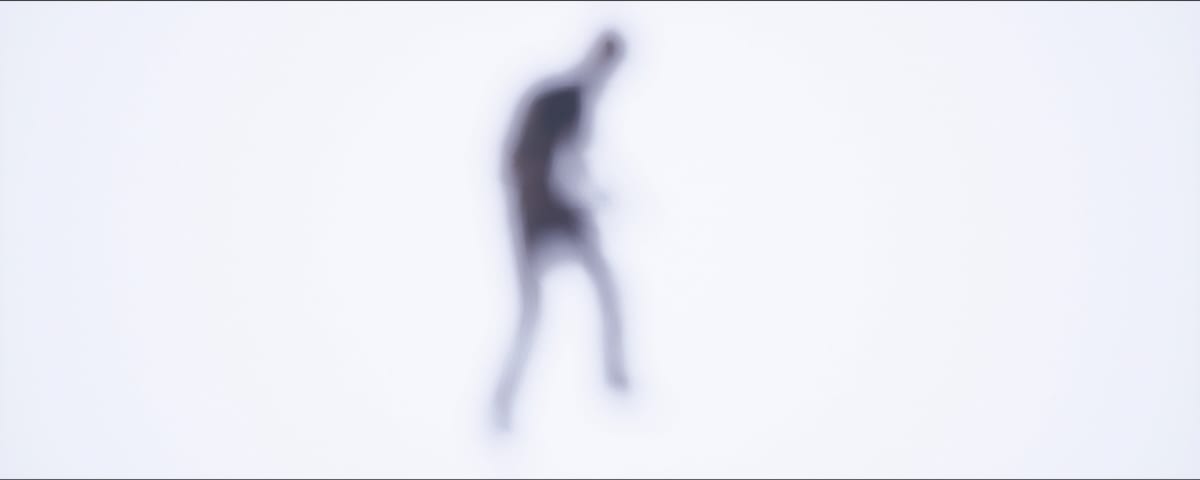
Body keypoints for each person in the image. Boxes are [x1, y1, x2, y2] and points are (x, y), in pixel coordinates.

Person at [493, 30, 628, 431]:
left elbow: (567, 164)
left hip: (549, 213)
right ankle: (503, 404)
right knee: (534, 313)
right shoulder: (561, 100)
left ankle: (614, 377)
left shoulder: (571, 102)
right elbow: (552, 164)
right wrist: (584, 195)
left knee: (601, 291)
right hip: (539, 215)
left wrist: (594, 194)